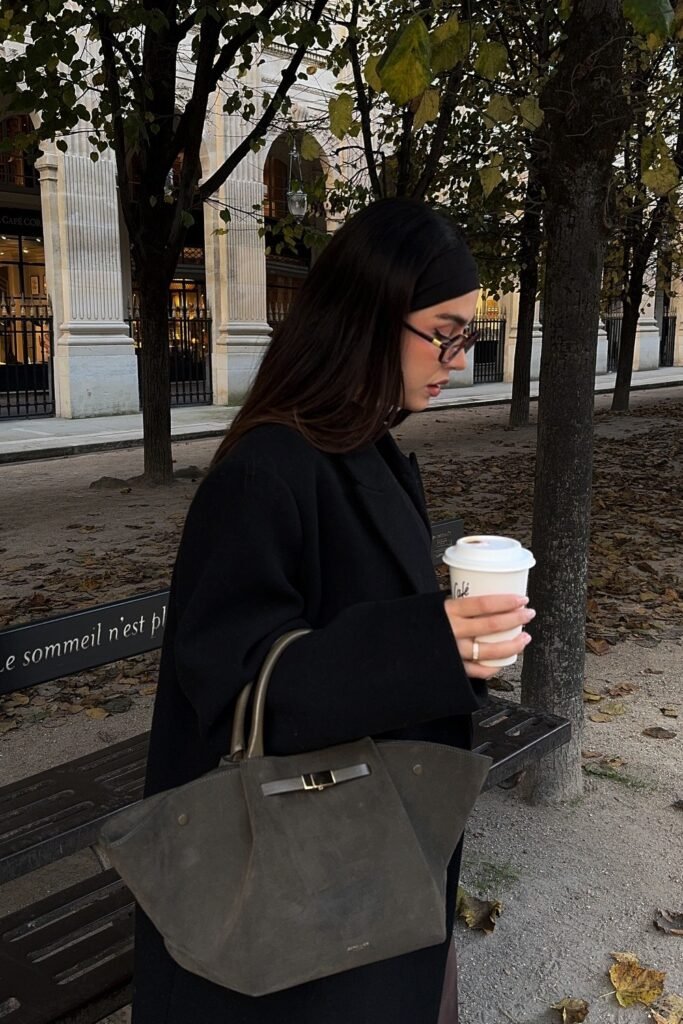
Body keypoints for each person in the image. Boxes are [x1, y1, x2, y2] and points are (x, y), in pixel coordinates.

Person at [132, 197, 534, 1024]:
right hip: (292, 877)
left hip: (361, 846)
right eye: (446, 332)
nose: (460, 357)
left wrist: (459, 650)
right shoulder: (267, 469)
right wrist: (431, 647)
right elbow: (232, 681)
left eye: (469, 335)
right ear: (368, 318)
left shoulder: (363, 447)